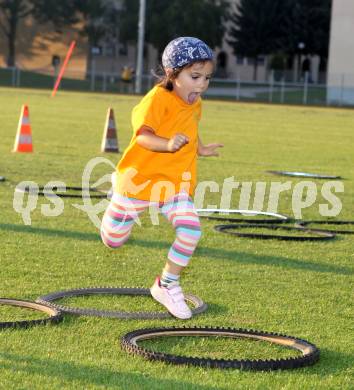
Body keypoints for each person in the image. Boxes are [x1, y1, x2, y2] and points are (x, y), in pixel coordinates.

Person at [101, 37, 223, 319]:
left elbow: (190, 126)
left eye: (207, 77)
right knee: (114, 240)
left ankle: (166, 284)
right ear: (173, 74)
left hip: (174, 184)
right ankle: (113, 202)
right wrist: (167, 144)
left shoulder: (195, 102)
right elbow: (143, 136)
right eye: (195, 77)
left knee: (191, 230)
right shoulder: (156, 100)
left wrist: (200, 147)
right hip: (139, 181)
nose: (202, 84)